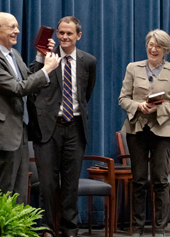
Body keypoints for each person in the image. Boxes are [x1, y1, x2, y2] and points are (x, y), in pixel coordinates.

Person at [0, 12, 60, 205]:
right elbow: (17, 88)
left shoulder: (13, 55)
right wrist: (47, 69)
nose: (17, 31)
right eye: (12, 27)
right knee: (3, 191)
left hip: (19, 130)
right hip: (2, 133)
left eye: (17, 26)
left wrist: (40, 56)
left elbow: (28, 78)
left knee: (20, 191)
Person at [31, 16, 96, 237]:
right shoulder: (48, 57)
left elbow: (86, 94)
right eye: (61, 33)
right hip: (49, 129)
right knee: (47, 183)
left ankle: (70, 229)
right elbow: (32, 81)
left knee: (71, 183)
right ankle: (46, 228)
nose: (64, 37)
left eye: (69, 33)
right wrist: (41, 57)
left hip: (76, 128)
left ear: (79, 35)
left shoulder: (88, 61)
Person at [119, 29, 170, 237]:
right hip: (136, 130)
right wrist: (138, 106)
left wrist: (159, 109)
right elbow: (123, 99)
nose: (153, 49)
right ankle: (137, 228)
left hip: (162, 132)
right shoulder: (133, 68)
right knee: (138, 180)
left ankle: (159, 228)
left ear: (165, 50)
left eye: (158, 46)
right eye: (150, 44)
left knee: (160, 180)